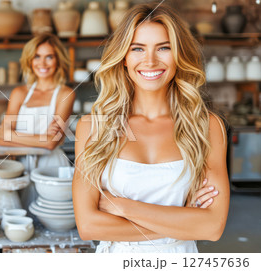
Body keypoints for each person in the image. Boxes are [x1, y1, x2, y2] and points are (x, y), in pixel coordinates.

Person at [72, 3, 230, 253]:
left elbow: (212, 227)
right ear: (124, 57)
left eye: (164, 48)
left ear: (178, 54)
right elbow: (88, 225)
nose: (150, 61)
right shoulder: (92, 128)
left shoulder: (206, 126)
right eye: (137, 49)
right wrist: (183, 222)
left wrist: (123, 207)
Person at [0, 33, 75, 169]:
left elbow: (51, 143)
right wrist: (42, 139)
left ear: (58, 60)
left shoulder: (65, 94)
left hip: (51, 165)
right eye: (37, 56)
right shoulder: (19, 93)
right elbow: (2, 137)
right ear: (30, 60)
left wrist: (12, 136)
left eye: (49, 57)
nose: (42, 63)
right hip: (20, 166)